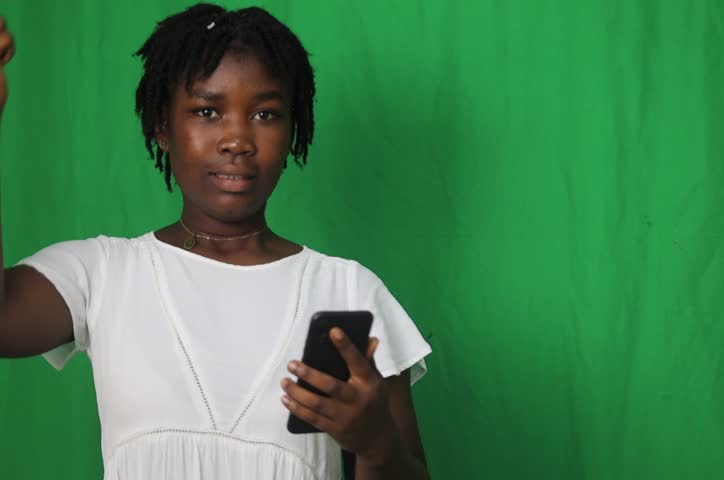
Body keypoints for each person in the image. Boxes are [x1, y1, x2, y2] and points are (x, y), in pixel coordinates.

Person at [0, 4, 431, 480]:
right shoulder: (102, 273)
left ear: (292, 132)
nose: (237, 139)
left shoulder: (346, 290)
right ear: (163, 127)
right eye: (207, 111)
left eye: (265, 113)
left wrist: (377, 445)